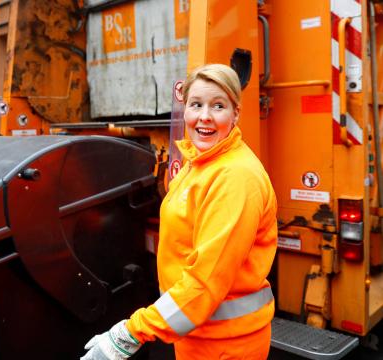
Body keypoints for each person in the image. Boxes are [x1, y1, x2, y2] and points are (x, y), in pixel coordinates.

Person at [81, 64, 278, 360]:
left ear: (235, 114)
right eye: (196, 104)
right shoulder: (202, 163)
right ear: (184, 109)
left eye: (218, 106)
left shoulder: (234, 178)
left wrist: (131, 333)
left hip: (227, 345)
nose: (204, 116)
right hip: (201, 335)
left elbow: (205, 281)